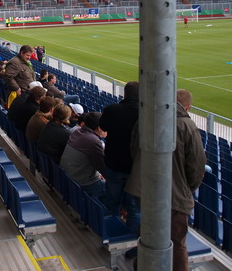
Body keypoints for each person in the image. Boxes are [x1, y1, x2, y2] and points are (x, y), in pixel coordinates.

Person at [125, 89, 206, 270]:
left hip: (142, 188)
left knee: (147, 231)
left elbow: (133, 148)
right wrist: (189, 187)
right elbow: (197, 164)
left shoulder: (146, 118)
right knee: (176, 242)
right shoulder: (187, 125)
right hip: (173, 196)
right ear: (188, 107)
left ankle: (143, 264)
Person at [99, 81, 140, 232]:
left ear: (125, 94)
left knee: (112, 202)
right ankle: (131, 238)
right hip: (135, 168)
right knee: (133, 207)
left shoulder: (112, 110)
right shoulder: (146, 113)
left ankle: (111, 233)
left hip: (114, 162)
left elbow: (103, 127)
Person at [60, 112, 107, 199]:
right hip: (83, 183)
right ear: (99, 128)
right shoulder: (93, 141)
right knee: (117, 189)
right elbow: (103, 168)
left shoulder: (76, 131)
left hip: (68, 178)